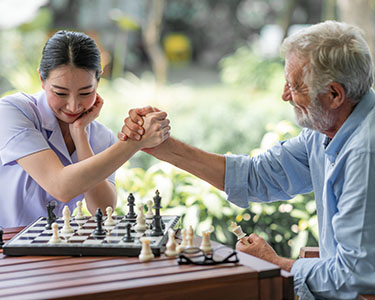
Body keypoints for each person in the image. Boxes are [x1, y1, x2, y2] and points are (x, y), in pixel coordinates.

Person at [120, 21, 375, 299]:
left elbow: (354, 277)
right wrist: (162, 147)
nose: (284, 95)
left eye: (294, 86)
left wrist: (279, 265)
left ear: (335, 94)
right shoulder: (326, 130)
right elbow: (257, 176)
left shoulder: (365, 153)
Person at [0, 30, 170, 228]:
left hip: (61, 248)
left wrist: (81, 137)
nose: (73, 106)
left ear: (98, 81)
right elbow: (60, 186)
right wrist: (134, 143)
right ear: (42, 79)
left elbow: (102, 208)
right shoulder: (12, 112)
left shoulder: (101, 136)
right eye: (60, 92)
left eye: (85, 92)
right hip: (8, 249)